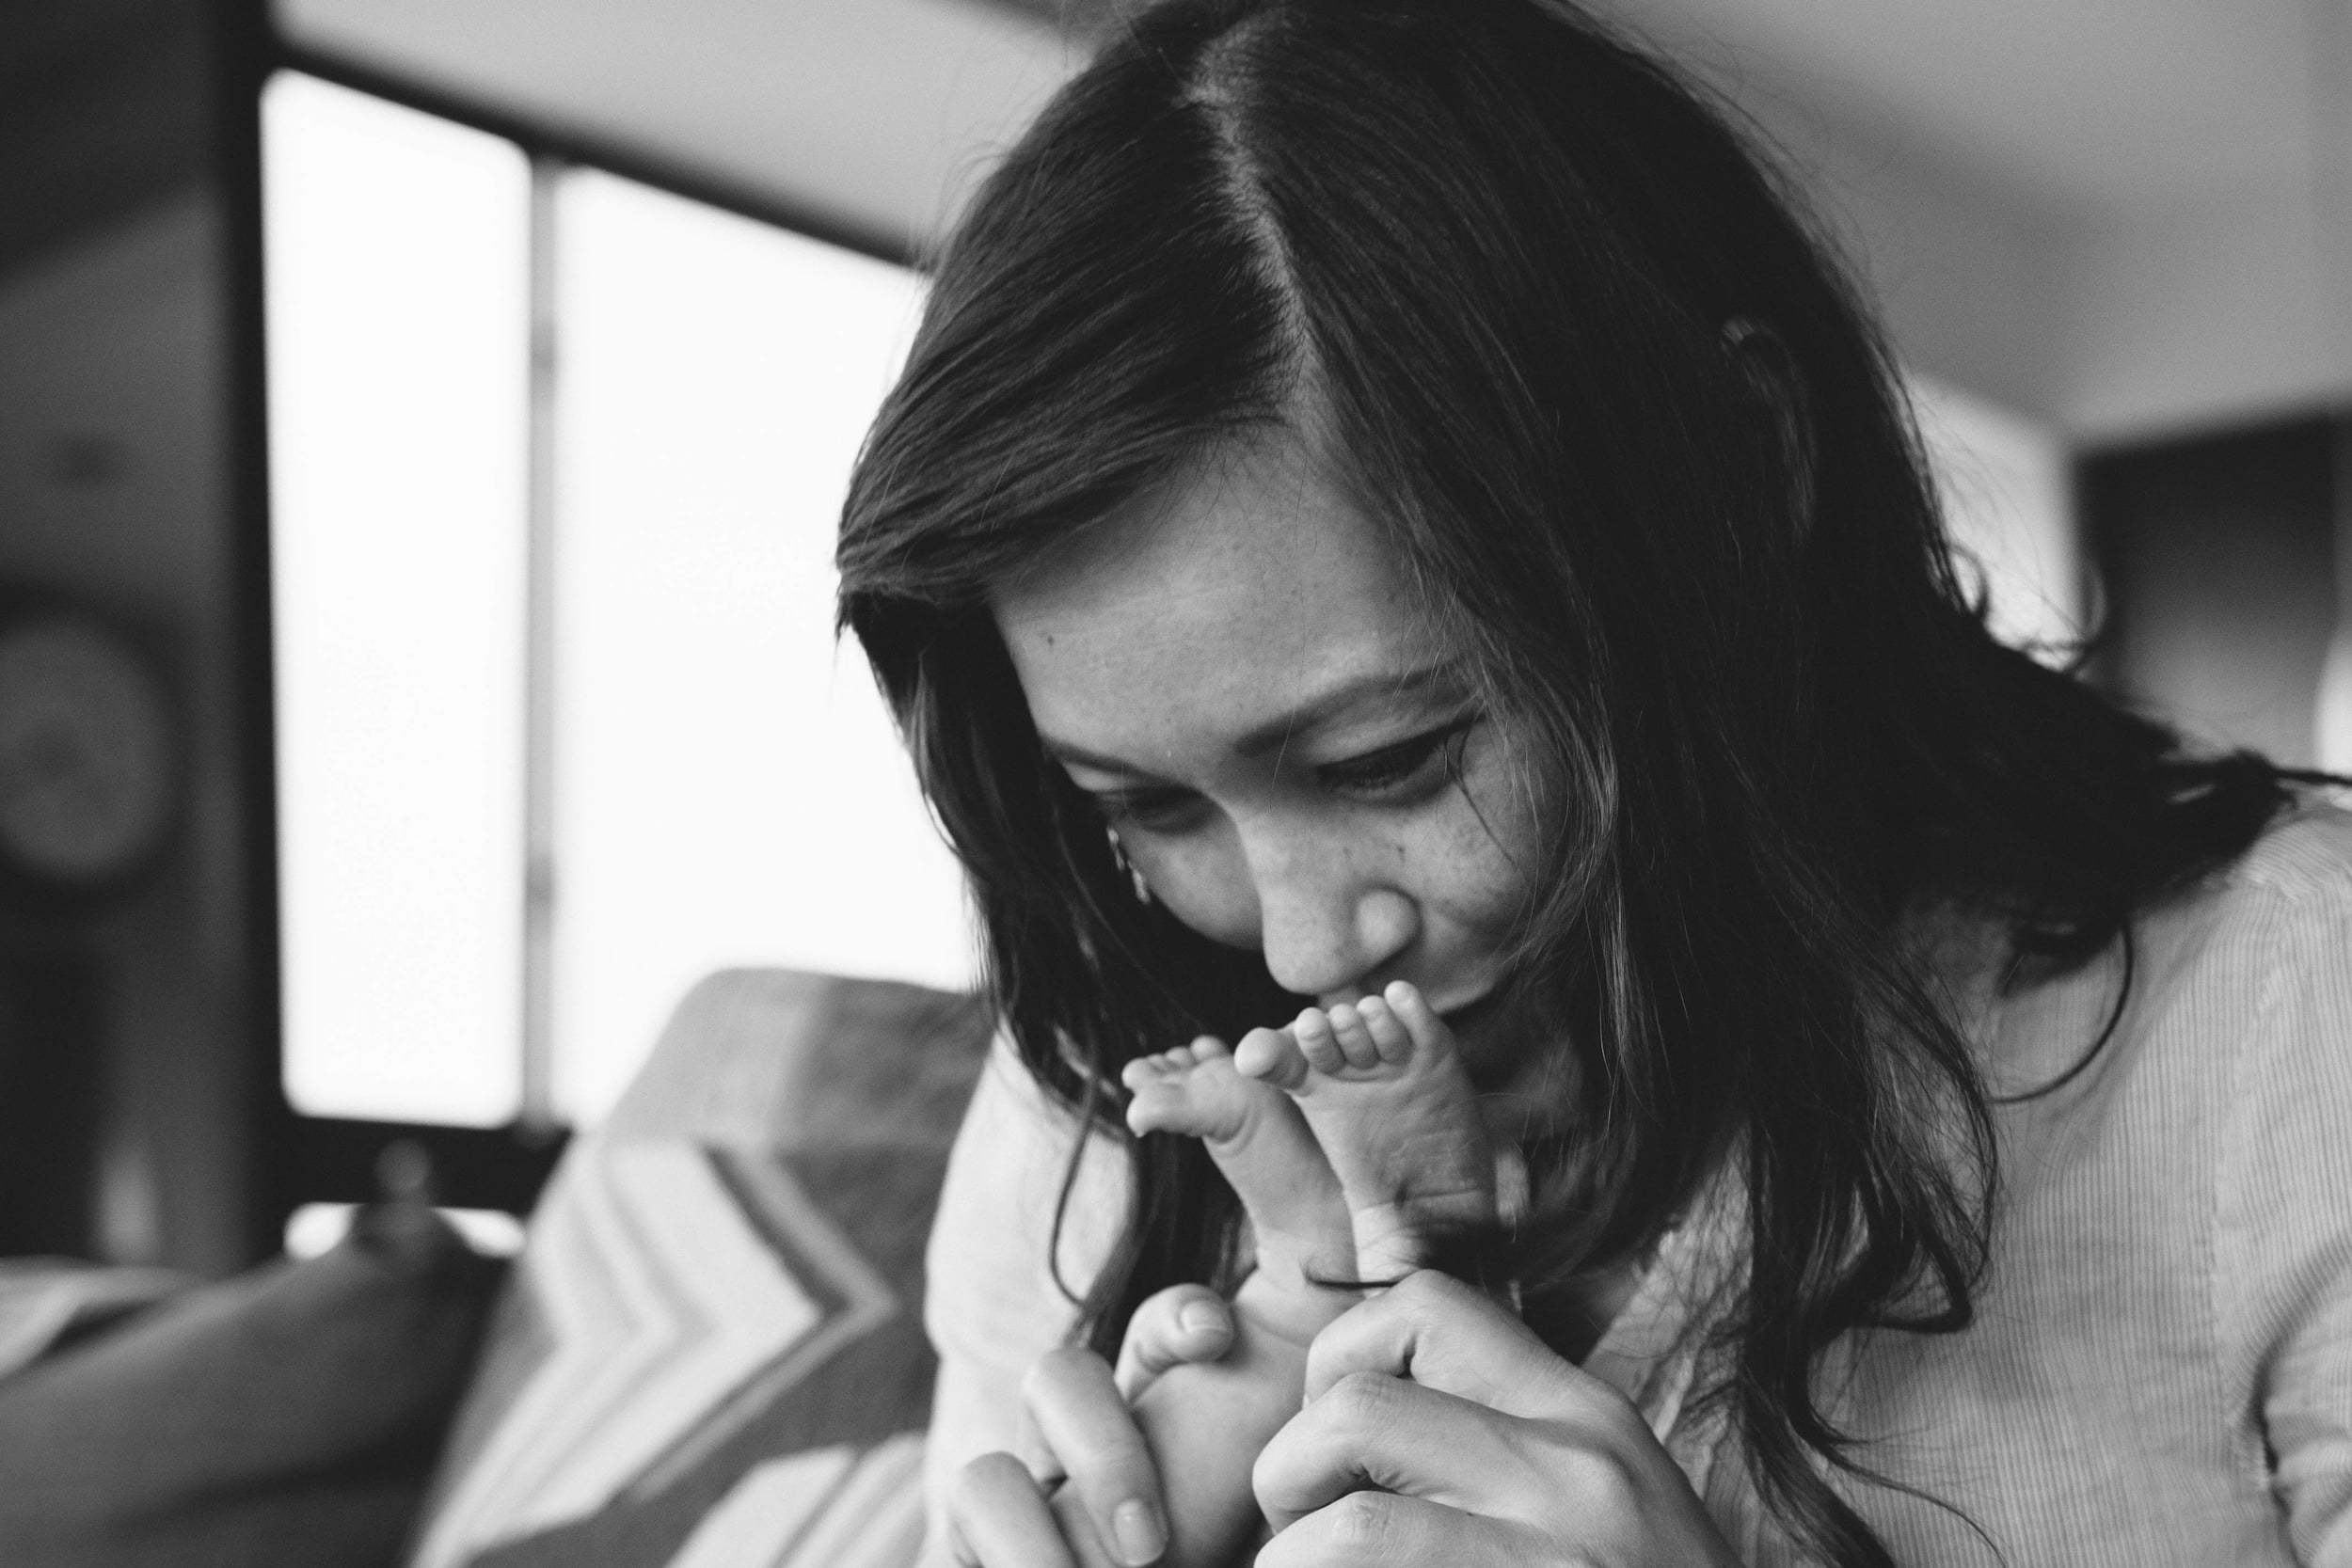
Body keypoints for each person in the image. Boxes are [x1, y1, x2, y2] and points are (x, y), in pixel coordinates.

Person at [834, 0, 2352, 1562]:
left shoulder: (2288, 1020)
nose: (1298, 951)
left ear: (1736, 491)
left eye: (1390, 759)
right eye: (1145, 806)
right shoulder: (1096, 1109)